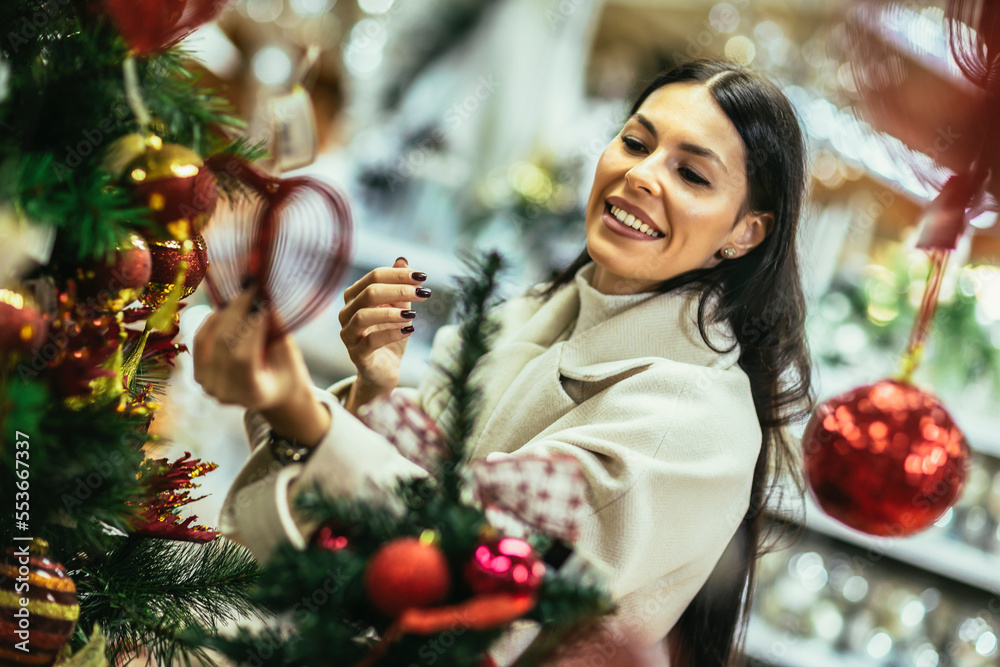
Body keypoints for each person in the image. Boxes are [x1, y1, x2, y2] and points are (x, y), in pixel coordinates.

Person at [192, 57, 813, 667]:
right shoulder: (518, 320)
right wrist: (371, 395)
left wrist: (304, 413)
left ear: (745, 233)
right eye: (634, 142)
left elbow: (486, 568)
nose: (643, 175)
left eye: (692, 175)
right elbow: (380, 533)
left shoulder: (696, 419)